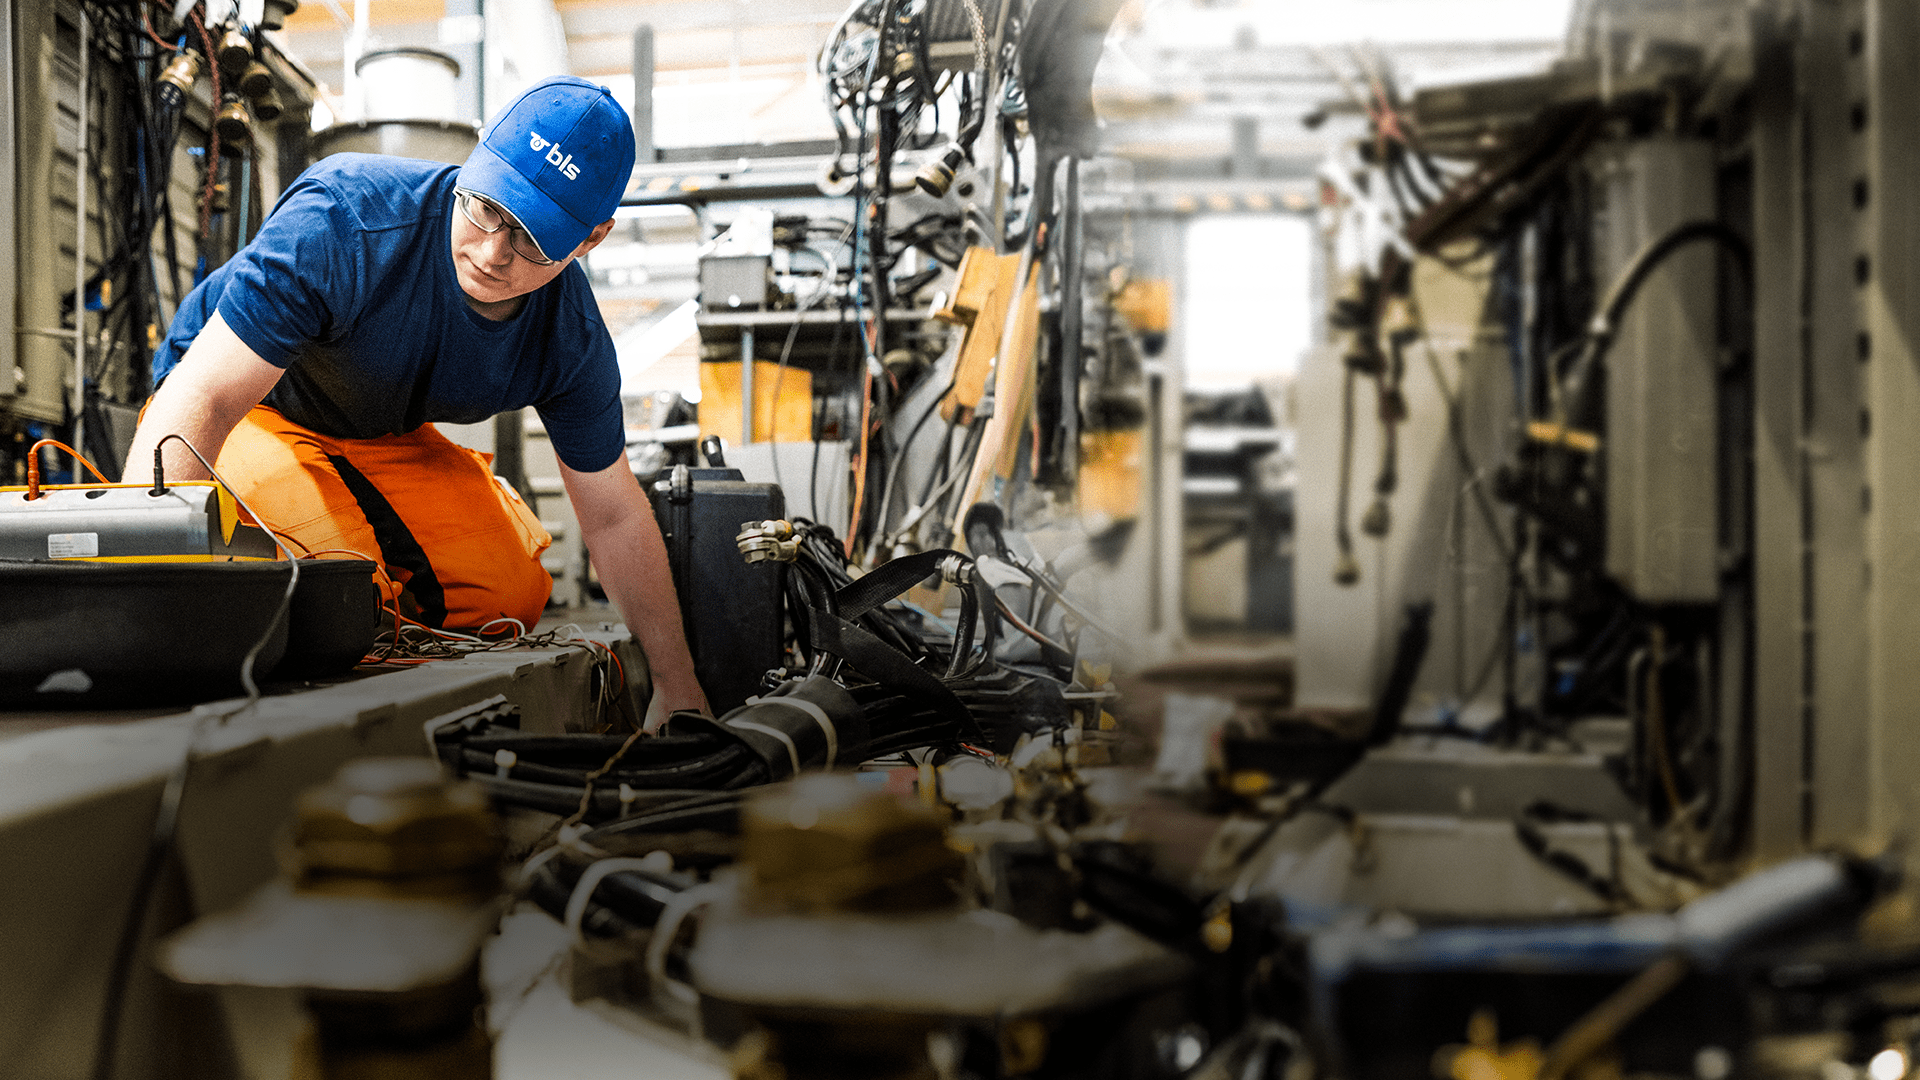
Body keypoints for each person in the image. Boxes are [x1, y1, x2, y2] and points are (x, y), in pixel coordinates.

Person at [121, 76, 708, 730]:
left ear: (590, 239)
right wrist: (147, 624)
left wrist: (675, 680)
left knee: (508, 595)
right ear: (476, 156)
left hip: (370, 428)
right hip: (245, 407)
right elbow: (204, 399)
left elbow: (614, 515)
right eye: (487, 207)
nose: (491, 252)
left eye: (532, 237)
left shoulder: (569, 338)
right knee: (341, 594)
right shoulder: (345, 219)